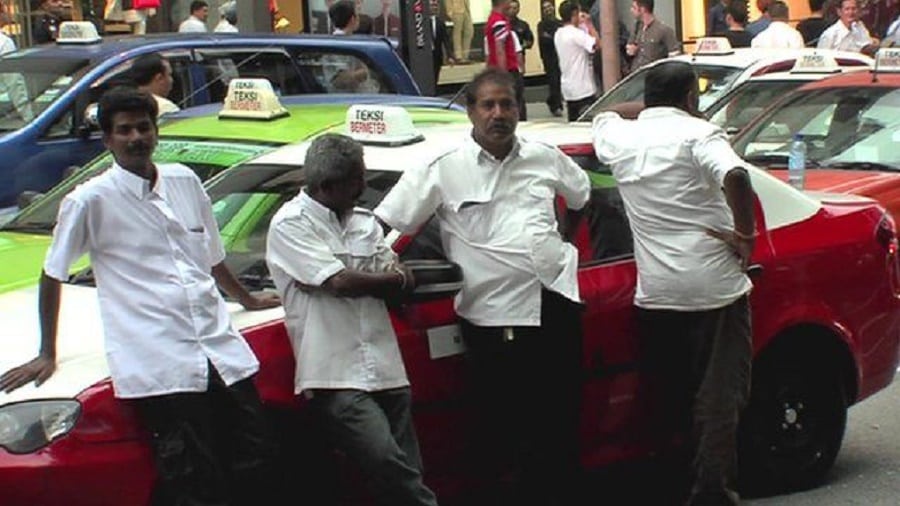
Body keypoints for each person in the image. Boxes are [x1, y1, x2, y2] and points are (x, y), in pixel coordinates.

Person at [0, 86, 281, 506]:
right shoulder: (90, 200)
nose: (136, 138)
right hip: (157, 359)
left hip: (217, 346)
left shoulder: (185, 182)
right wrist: (47, 351)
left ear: (156, 132)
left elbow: (210, 254)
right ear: (107, 139)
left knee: (253, 457)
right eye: (124, 130)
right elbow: (53, 272)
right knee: (189, 473)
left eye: (143, 128)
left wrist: (248, 299)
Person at [374, 67, 591, 506]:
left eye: (507, 104)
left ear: (518, 109)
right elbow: (383, 226)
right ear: (471, 112)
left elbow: (582, 198)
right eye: (488, 105)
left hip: (556, 306)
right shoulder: (442, 169)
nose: (498, 114)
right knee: (503, 433)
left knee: (561, 427)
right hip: (493, 321)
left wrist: (561, 245)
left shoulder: (545, 157)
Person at [592, 60, 755, 506]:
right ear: (690, 99)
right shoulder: (698, 135)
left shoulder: (618, 137)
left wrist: (649, 108)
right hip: (714, 287)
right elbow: (736, 175)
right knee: (718, 396)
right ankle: (712, 493)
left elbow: (604, 113)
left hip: (657, 291)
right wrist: (746, 235)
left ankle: (667, 485)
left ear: (648, 98)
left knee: (668, 394)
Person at [266, 133, 439, 506]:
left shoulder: (364, 221)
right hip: (334, 372)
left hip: (385, 363)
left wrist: (388, 279)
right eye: (356, 180)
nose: (363, 187)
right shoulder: (290, 224)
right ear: (327, 185)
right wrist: (389, 279)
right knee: (386, 460)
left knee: (400, 469)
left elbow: (395, 274)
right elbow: (339, 282)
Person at [554, 0, 600, 122]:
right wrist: (589, 24)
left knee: (573, 123)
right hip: (583, 88)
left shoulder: (558, 34)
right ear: (574, 14)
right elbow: (596, 44)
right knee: (587, 124)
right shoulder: (576, 34)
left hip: (568, 89)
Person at [485, 0, 526, 120]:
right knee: (516, 108)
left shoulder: (492, 19)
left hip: (497, 70)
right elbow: (500, 50)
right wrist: (504, 76)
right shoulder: (499, 22)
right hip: (508, 70)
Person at [625, 0, 680, 74]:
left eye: (634, 8)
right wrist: (631, 50)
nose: (631, 10)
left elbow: (674, 56)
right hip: (636, 76)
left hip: (654, 76)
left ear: (642, 9)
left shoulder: (664, 30)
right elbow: (629, 49)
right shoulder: (637, 28)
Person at [131, 53, 179, 117]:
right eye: (169, 75)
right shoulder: (166, 108)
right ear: (159, 78)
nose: (172, 80)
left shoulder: (126, 104)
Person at [538, 0, 564, 117]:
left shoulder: (560, 23)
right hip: (549, 57)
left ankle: (554, 101)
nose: (548, 9)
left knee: (559, 81)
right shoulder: (541, 25)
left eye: (549, 7)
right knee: (553, 82)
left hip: (561, 56)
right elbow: (543, 40)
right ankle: (556, 105)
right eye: (545, 8)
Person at [430, 0, 455, 84]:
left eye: (436, 6)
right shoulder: (422, 22)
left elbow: (446, 40)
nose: (434, 8)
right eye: (432, 6)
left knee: (435, 77)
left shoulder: (440, 23)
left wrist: (450, 56)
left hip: (437, 55)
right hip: (425, 56)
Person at [508, 0, 534, 69]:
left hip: (519, 57)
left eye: (515, 8)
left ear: (518, 9)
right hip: (505, 58)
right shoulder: (502, 24)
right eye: (510, 8)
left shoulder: (523, 25)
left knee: (519, 78)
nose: (512, 10)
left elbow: (530, 41)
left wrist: (520, 47)